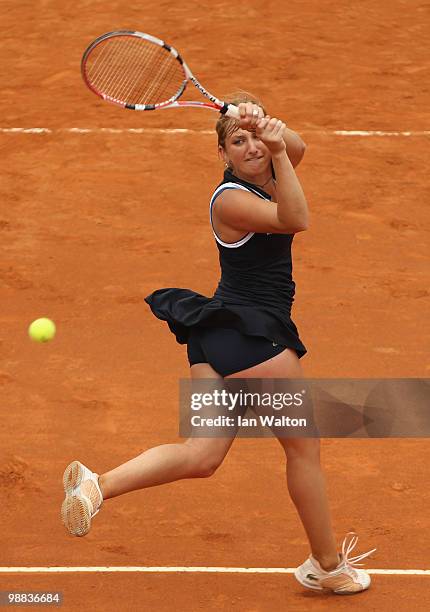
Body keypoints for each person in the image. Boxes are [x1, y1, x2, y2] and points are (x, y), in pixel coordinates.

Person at [61, 93, 376, 595]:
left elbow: (298, 149)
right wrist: (272, 144)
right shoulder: (230, 199)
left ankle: (97, 485)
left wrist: (268, 125)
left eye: (254, 137)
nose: (250, 147)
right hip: (256, 340)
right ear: (224, 156)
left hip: (217, 335)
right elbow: (296, 218)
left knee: (202, 455)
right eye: (237, 141)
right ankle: (327, 565)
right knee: (303, 451)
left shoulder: (266, 169)